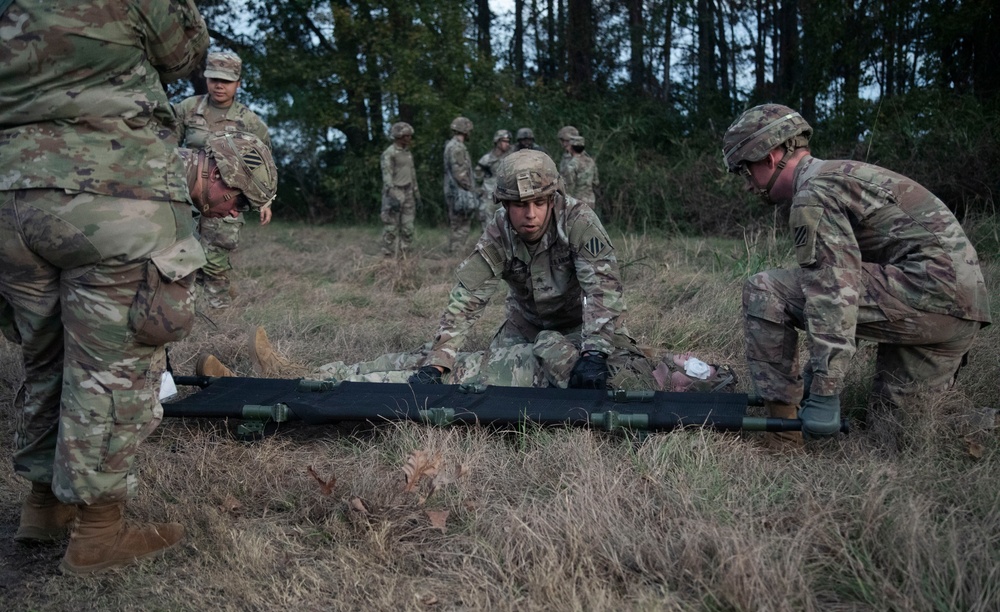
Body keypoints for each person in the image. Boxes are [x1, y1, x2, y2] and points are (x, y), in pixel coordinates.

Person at [0, 0, 209, 574]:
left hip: (11, 194)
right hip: (112, 191)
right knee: (112, 364)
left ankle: (43, 506)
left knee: (45, 355)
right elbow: (183, 56)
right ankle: (98, 531)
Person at [722, 103, 991, 451]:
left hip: (929, 294)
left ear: (769, 158)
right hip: (955, 308)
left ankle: (782, 434)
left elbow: (834, 292)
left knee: (766, 289)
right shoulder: (839, 175)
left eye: (745, 172)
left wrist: (824, 393)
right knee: (901, 432)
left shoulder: (813, 193)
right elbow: (860, 282)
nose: (747, 185)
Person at [409, 150, 633, 390]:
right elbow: (467, 298)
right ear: (504, 204)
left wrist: (595, 352)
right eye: (519, 205)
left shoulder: (578, 221)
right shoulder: (498, 232)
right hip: (527, 325)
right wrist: (437, 361)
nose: (530, 215)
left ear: (552, 199)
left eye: (539, 203)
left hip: (582, 324)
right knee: (495, 378)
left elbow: (602, 289)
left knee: (616, 377)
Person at [196, 327, 736, 394]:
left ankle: (264, 381)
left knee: (385, 378)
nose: (690, 358)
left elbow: (552, 347)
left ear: (689, 387)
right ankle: (282, 367)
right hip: (498, 358)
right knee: (393, 355)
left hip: (495, 375)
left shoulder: (639, 384)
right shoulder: (637, 359)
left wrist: (570, 351)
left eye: (699, 369)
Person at [175, 50, 275, 309]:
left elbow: (264, 163)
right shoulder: (187, 108)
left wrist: (264, 201)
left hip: (227, 199)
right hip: (185, 193)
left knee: (217, 256)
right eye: (214, 79)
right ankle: (185, 307)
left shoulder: (249, 121)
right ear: (206, 79)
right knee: (181, 251)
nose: (219, 85)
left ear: (238, 83)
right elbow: (168, 147)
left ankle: (219, 311)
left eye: (227, 81)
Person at [178, 131, 278, 232]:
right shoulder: (168, 180)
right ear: (215, 174)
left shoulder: (182, 185)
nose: (234, 214)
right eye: (240, 204)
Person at [380, 122, 421, 256]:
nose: (410, 138)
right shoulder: (389, 153)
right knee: (391, 228)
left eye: (410, 136)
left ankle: (405, 257)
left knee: (408, 227)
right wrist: (393, 194)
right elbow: (387, 175)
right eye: (407, 136)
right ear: (399, 137)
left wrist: (416, 192)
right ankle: (388, 257)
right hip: (394, 193)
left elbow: (412, 172)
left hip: (408, 192)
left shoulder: (407, 153)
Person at [443, 116, 477, 254]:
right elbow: (460, 173)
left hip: (453, 190)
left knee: (456, 223)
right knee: (462, 223)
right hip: (459, 192)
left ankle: (454, 251)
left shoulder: (451, 145)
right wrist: (471, 189)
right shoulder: (457, 148)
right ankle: (457, 253)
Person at [475, 129, 512, 229]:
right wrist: (479, 192)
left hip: (506, 197)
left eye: (508, 141)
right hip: (489, 196)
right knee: (487, 225)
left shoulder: (511, 158)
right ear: (497, 141)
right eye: (504, 141)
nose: (507, 144)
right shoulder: (486, 159)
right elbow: (477, 178)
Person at [560, 135, 600, 209]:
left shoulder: (572, 164)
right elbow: (596, 182)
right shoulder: (591, 161)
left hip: (577, 201)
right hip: (590, 200)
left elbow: (569, 185)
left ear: (571, 148)